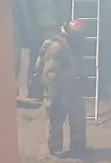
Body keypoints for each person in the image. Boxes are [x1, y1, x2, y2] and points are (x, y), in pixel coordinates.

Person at [34, 20, 88, 155]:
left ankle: (78, 148)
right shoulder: (57, 48)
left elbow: (76, 66)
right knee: (56, 120)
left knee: (78, 120)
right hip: (59, 92)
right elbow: (49, 73)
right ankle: (55, 150)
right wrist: (54, 95)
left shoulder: (74, 46)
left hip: (73, 89)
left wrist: (83, 79)